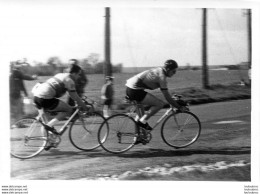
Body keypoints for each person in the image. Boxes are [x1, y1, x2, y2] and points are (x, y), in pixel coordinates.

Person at [32, 64, 89, 149]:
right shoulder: (69, 80)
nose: (78, 76)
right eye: (78, 74)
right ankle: (48, 127)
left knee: (45, 120)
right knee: (68, 110)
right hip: (45, 98)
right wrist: (84, 106)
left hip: (37, 97)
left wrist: (77, 101)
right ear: (74, 73)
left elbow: (71, 94)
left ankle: (48, 141)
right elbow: (75, 97)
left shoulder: (60, 75)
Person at [125, 59, 188, 131]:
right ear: (167, 69)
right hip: (134, 90)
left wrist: (173, 99)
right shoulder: (162, 77)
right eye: (173, 71)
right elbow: (167, 97)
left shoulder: (160, 70)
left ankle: (137, 137)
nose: (175, 73)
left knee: (141, 116)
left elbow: (166, 93)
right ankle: (142, 122)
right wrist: (179, 107)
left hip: (130, 88)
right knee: (159, 104)